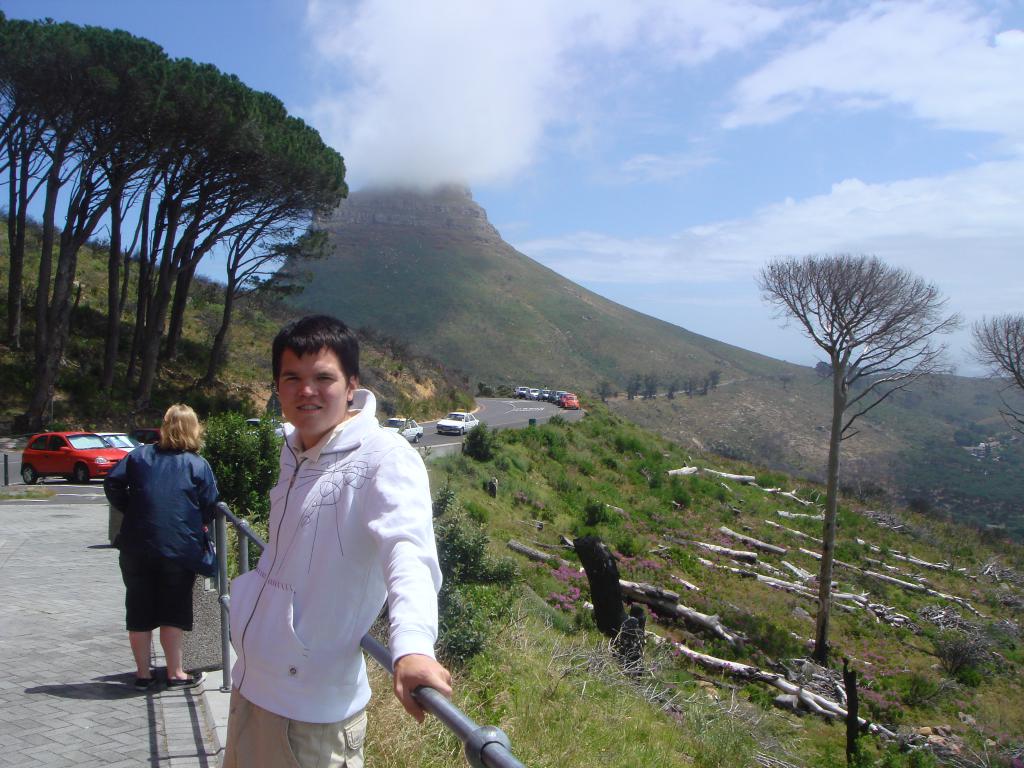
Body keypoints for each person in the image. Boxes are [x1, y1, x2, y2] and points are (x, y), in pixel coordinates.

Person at [223, 315, 452, 768]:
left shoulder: (384, 456)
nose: (306, 390)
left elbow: (408, 552)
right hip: (249, 688)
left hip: (308, 719)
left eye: (323, 378)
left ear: (351, 386)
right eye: (293, 378)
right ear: (277, 387)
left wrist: (412, 647)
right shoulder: (295, 450)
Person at [104, 403, 220, 691]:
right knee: (174, 610)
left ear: (164, 426)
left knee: (138, 608)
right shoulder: (197, 464)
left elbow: (112, 483)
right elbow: (210, 504)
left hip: (137, 545)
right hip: (179, 547)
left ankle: (142, 674)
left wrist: (132, 508)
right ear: (194, 429)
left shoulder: (139, 456)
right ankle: (175, 672)